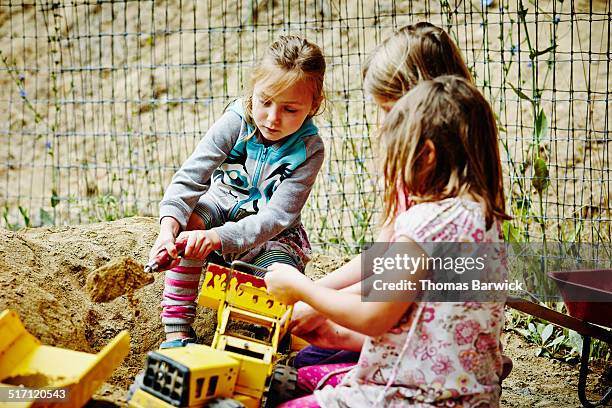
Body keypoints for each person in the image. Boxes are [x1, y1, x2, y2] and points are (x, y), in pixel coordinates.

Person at [265, 75, 511, 407]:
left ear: (425, 156)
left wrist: (302, 287)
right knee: (303, 374)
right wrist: (333, 333)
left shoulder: (424, 223)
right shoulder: (484, 222)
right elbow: (423, 329)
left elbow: (374, 316)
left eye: (395, 153)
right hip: (468, 398)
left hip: (409, 398)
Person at [290, 21, 474, 369]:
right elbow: (383, 258)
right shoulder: (414, 168)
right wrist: (315, 292)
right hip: (394, 312)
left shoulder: (441, 189)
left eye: (390, 111)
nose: (384, 124)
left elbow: (393, 286)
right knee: (309, 356)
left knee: (310, 365)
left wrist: (317, 300)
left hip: (418, 333)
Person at [149, 35, 326, 349]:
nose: (272, 117)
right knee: (189, 225)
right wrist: (167, 230)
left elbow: (276, 217)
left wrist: (220, 238)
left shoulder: (309, 149)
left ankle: (276, 342)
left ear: (314, 105)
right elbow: (191, 178)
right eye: (265, 101)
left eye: (290, 109)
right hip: (220, 208)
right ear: (253, 90)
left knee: (282, 277)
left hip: (272, 237)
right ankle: (177, 329)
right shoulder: (235, 121)